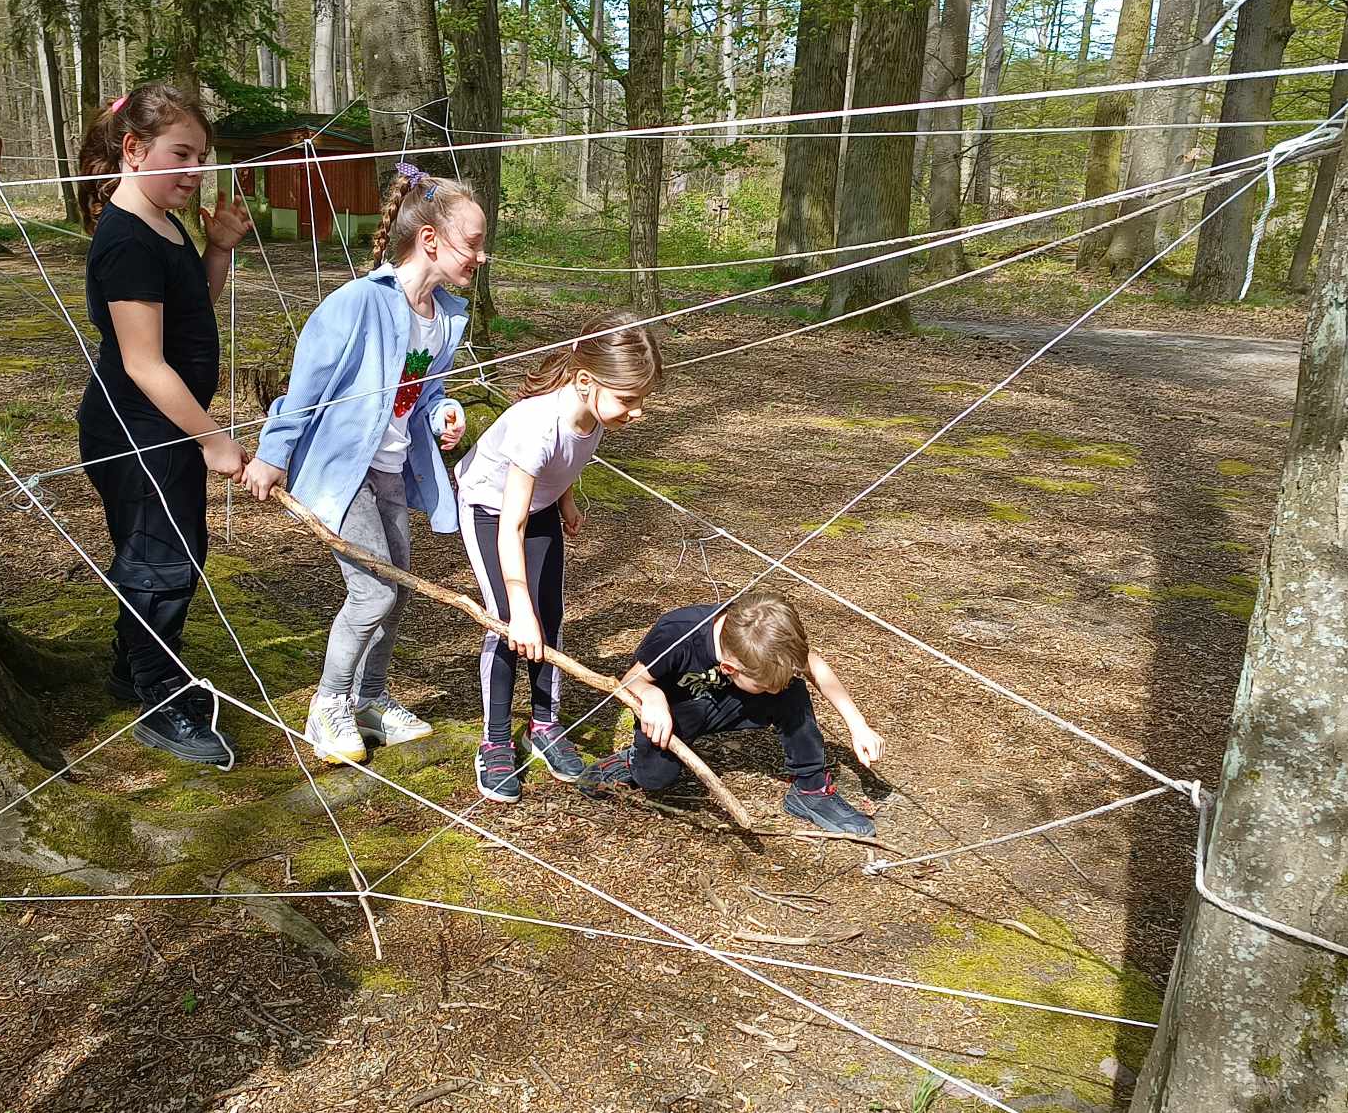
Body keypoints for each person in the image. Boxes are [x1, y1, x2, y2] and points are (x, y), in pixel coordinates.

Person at [244, 161, 475, 763]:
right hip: (342, 471)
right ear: (430, 240)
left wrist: (444, 414)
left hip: (392, 470)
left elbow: (424, 392)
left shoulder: (446, 317)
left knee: (396, 593)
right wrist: (272, 454)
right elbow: (304, 387)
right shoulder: (357, 303)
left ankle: (370, 700)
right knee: (372, 593)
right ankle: (328, 706)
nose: (481, 256)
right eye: (473, 243)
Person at [77, 82, 252, 766]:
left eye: (201, 157)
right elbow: (144, 362)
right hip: (136, 431)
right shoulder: (126, 238)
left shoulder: (162, 223)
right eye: (181, 154)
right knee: (162, 559)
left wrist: (218, 249)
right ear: (134, 149)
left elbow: (189, 311)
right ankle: (157, 696)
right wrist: (212, 438)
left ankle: (134, 665)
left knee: (170, 551)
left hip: (164, 428)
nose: (194, 171)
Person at [456, 316, 662, 801]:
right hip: (491, 511)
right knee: (509, 623)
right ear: (586, 381)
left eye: (641, 399)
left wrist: (566, 500)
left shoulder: (595, 412)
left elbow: (565, 462)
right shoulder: (536, 426)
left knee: (550, 616)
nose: (637, 412)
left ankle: (544, 726)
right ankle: (495, 740)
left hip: (541, 508)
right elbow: (511, 526)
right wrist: (519, 606)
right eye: (628, 399)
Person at [578, 589, 883, 835]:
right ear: (728, 668)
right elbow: (630, 680)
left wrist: (858, 724)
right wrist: (651, 695)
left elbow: (813, 665)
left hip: (731, 701)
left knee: (792, 692)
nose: (773, 690)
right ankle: (631, 761)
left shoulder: (766, 635)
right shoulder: (678, 633)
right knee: (655, 778)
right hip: (674, 714)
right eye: (764, 685)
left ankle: (810, 790)